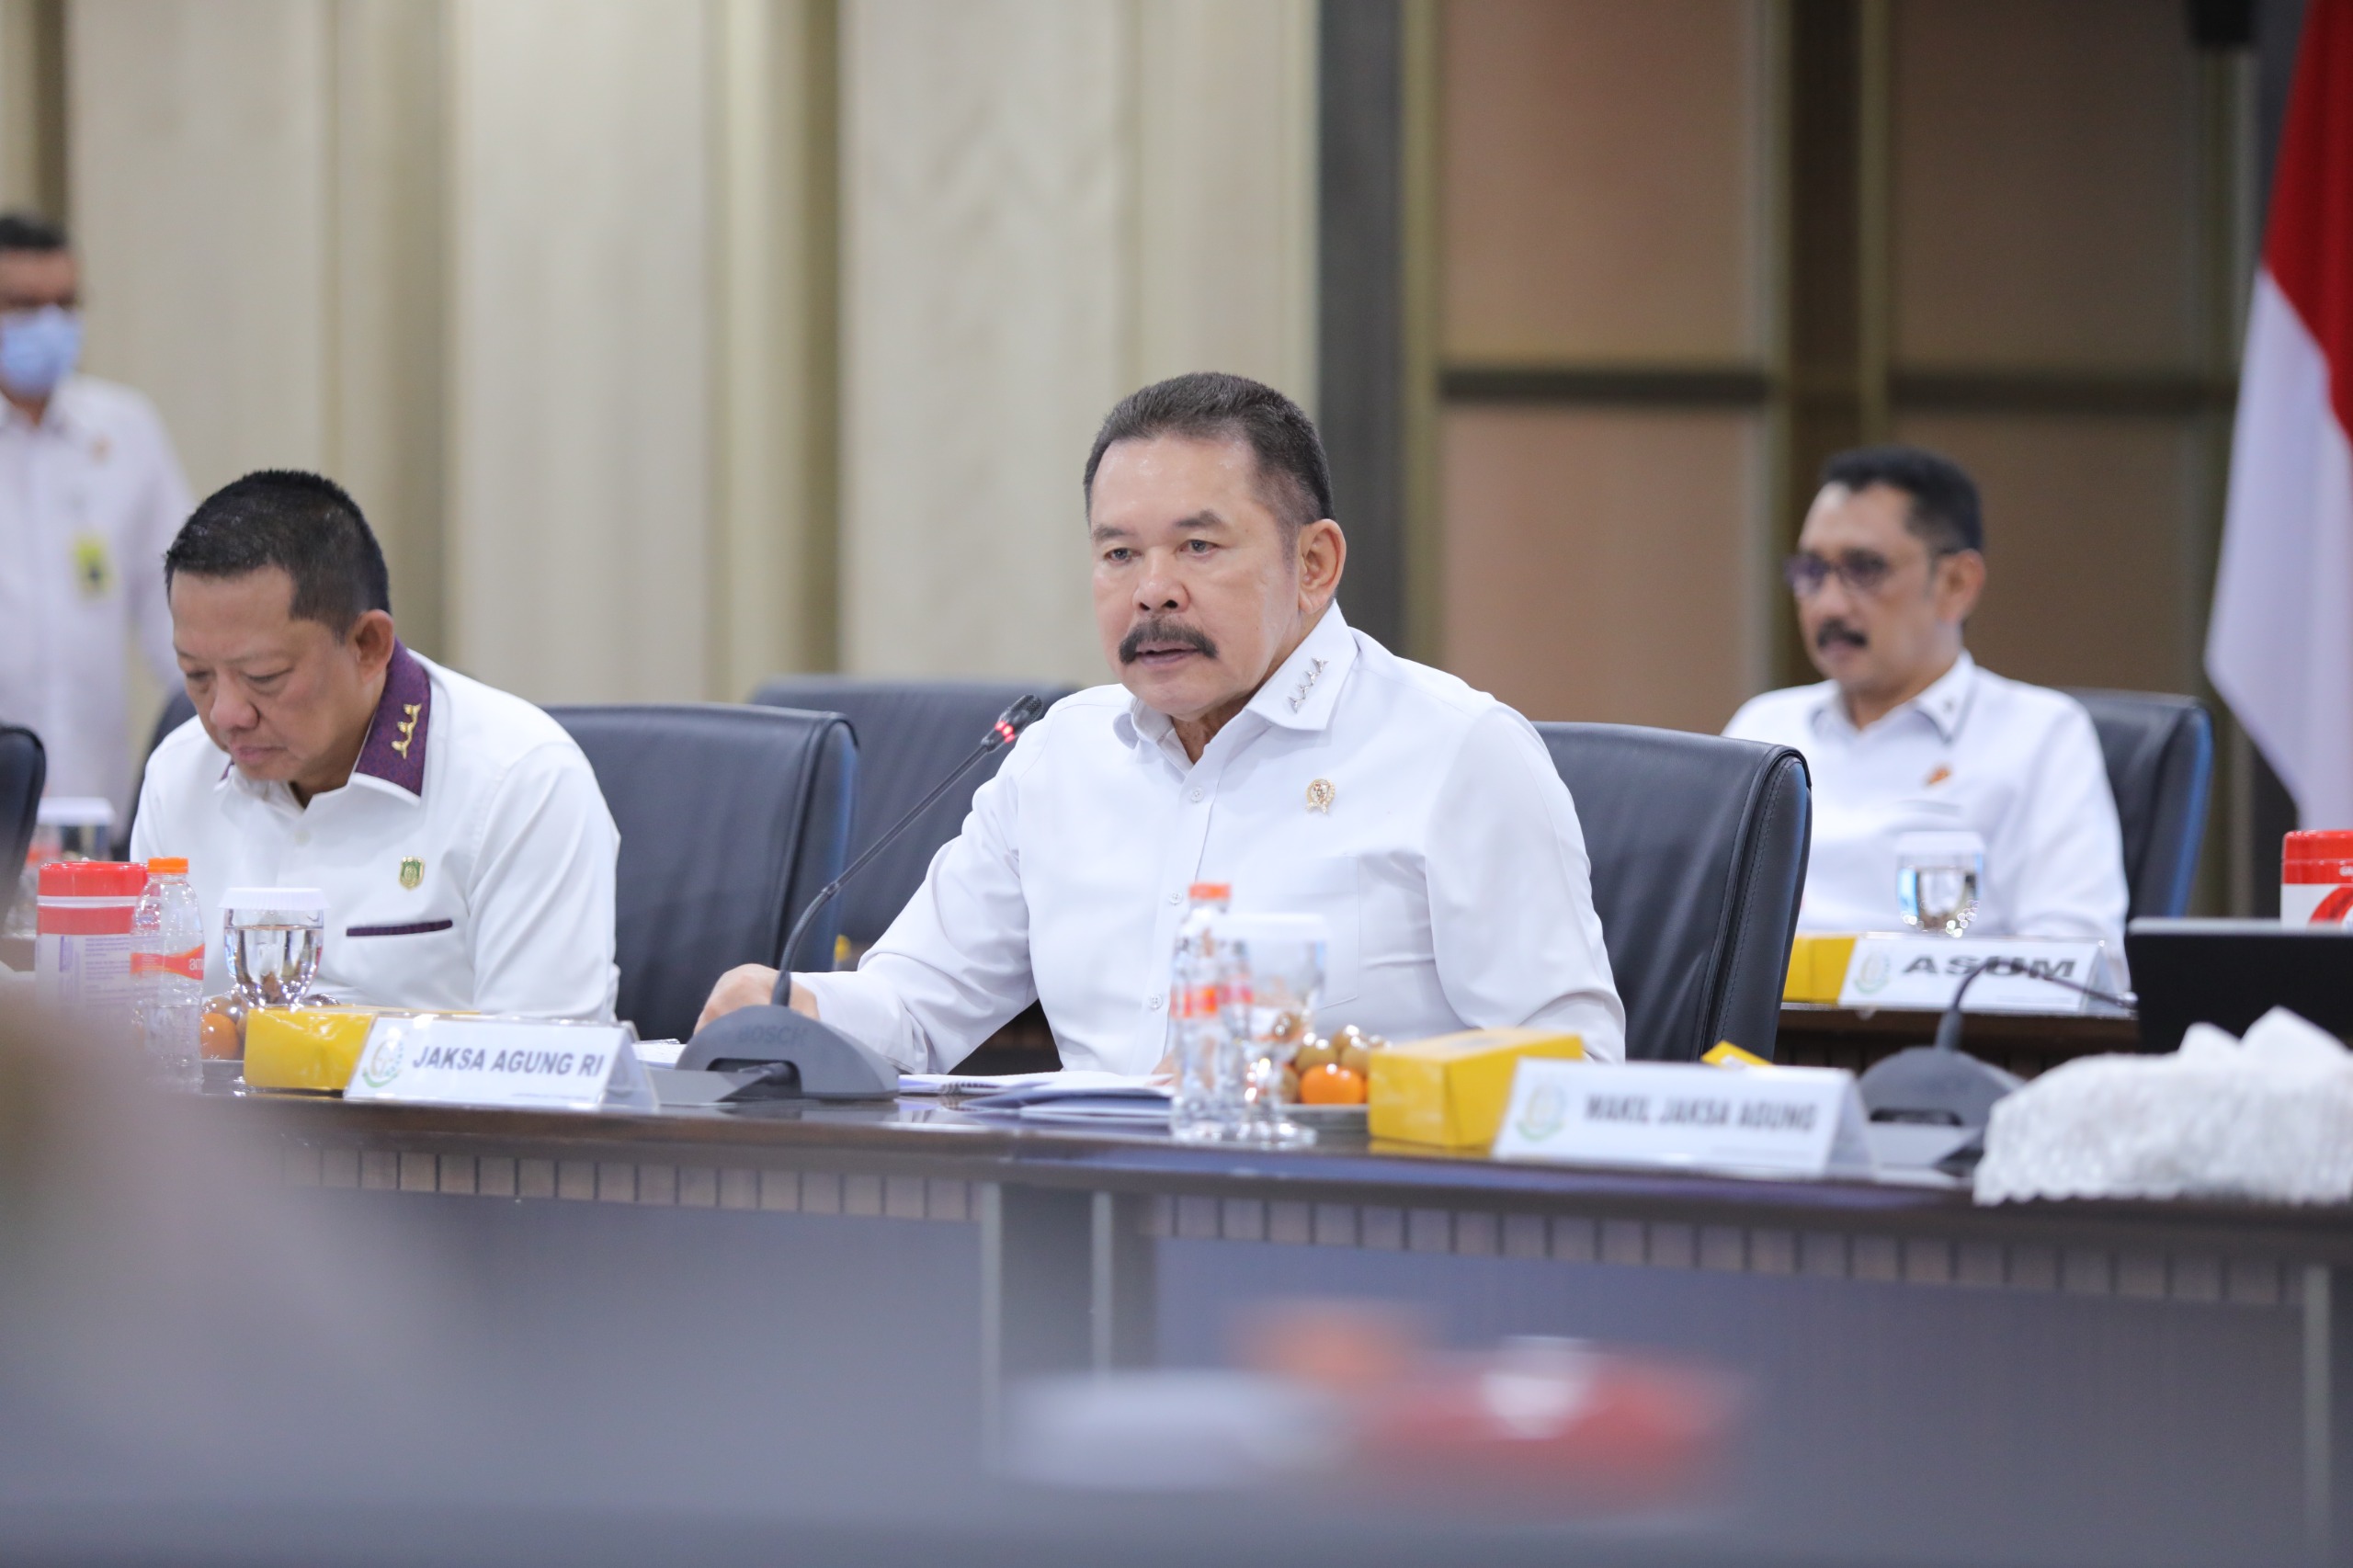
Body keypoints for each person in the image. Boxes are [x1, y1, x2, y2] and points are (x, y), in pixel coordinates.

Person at [699, 371, 1624, 1070]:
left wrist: (1349, 1090)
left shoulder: (1456, 751)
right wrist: (791, 1004)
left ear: (1314, 563)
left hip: (1367, 1250)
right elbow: (912, 1010)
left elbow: (1572, 1064)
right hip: (1092, 1244)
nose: (1152, 591)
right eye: (1117, 552)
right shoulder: (1059, 756)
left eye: (1197, 545)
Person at [131, 470, 620, 1020]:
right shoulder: (179, 773)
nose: (225, 714)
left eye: (263, 676)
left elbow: (544, 1058)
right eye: (196, 675)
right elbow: (154, 1032)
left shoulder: (520, 781)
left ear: (368, 645)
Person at [1724, 445, 2128, 956]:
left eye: (1864, 569)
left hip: (1948, 1033)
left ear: (1957, 584)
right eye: (1812, 571)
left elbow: (2083, 957)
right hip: (1763, 1035)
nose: (1828, 604)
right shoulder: (1764, 727)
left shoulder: (2041, 736)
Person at [0, 212, 191, 816]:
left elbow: (180, 612)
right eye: (24, 306)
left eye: (65, 303)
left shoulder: (124, 431)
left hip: (95, 805)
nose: (50, 325)